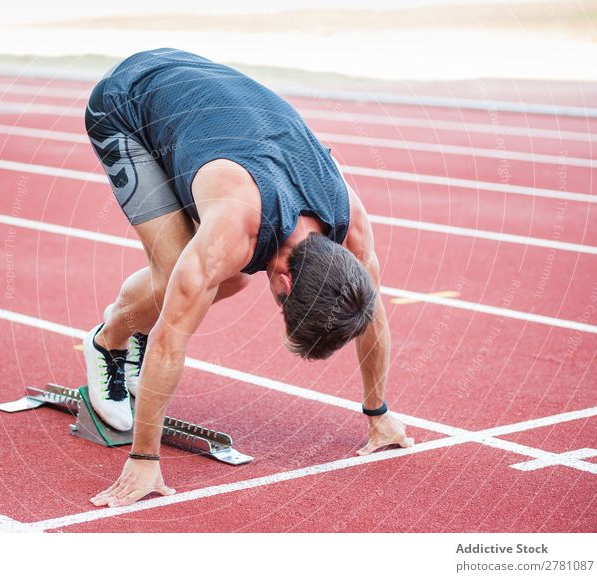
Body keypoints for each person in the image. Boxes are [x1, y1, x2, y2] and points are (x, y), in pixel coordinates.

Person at [83, 48, 412, 508]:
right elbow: (170, 339)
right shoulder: (234, 229)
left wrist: (378, 412)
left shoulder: (350, 223)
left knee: (230, 278)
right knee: (179, 282)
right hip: (130, 100)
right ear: (287, 282)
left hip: (211, 103)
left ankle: (123, 335)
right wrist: (144, 458)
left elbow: (371, 313)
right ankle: (110, 341)